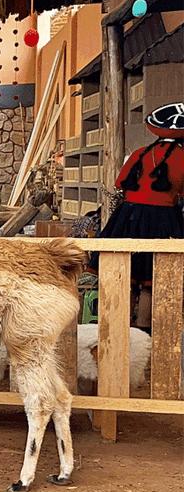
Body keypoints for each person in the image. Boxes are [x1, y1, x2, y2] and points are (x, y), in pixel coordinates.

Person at [82, 102, 184, 331]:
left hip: (127, 216)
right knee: (151, 277)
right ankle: (143, 328)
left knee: (124, 272)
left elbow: (121, 184)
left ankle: (119, 328)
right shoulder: (182, 157)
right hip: (163, 218)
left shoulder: (140, 153)